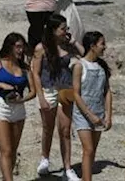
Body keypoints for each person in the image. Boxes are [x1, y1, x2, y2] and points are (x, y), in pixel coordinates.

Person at [0, 33, 35, 181]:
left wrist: (21, 100)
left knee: (13, 150)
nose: (21, 50)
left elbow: (33, 91)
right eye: (18, 46)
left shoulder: (25, 68)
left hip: (18, 108)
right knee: (6, 150)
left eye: (22, 47)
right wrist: (0, 84)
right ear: (9, 46)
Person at [31, 15, 82, 181]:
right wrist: (40, 96)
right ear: (53, 30)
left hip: (65, 90)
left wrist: (73, 41)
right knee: (48, 127)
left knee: (65, 130)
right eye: (62, 28)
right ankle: (45, 158)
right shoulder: (41, 48)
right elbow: (36, 73)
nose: (65, 31)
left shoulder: (68, 46)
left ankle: (67, 168)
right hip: (48, 89)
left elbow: (86, 55)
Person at [72, 31, 113, 181]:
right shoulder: (79, 66)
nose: (104, 47)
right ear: (92, 46)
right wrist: (90, 115)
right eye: (102, 44)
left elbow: (107, 91)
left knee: (92, 151)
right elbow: (76, 94)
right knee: (88, 149)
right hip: (83, 113)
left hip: (99, 111)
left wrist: (108, 115)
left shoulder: (102, 66)